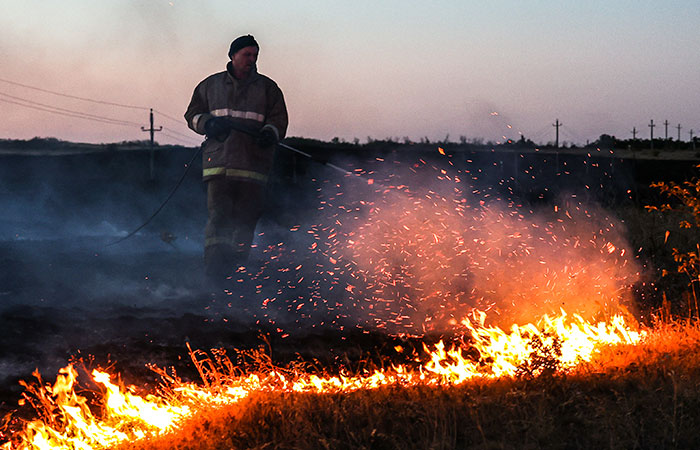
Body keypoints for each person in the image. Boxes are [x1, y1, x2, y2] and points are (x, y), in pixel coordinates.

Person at [185, 35, 288, 279]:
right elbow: (192, 114)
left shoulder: (268, 89)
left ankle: (236, 273)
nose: (251, 60)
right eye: (246, 55)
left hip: (253, 166)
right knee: (218, 219)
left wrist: (269, 133)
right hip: (218, 166)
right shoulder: (210, 85)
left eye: (255, 55)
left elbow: (279, 120)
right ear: (232, 56)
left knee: (244, 223)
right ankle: (214, 272)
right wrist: (208, 124)